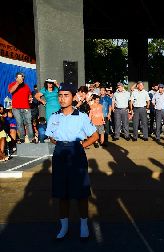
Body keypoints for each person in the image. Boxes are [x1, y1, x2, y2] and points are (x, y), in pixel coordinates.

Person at [45, 82, 98, 241]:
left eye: (66, 95)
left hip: (76, 153)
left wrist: (81, 145)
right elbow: (51, 136)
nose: (62, 99)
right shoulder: (54, 116)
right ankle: (64, 226)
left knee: (81, 192)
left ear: (73, 97)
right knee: (62, 193)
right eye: (60, 95)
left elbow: (94, 136)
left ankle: (83, 225)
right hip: (60, 153)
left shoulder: (81, 117)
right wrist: (63, 144)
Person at [7, 72, 35, 143]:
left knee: (28, 123)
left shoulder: (26, 86)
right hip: (16, 108)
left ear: (23, 78)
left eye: (22, 77)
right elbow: (11, 91)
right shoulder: (12, 84)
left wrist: (30, 98)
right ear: (16, 78)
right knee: (19, 123)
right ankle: (22, 138)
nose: (20, 79)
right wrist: (17, 83)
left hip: (26, 107)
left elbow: (29, 95)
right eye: (19, 77)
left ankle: (31, 138)